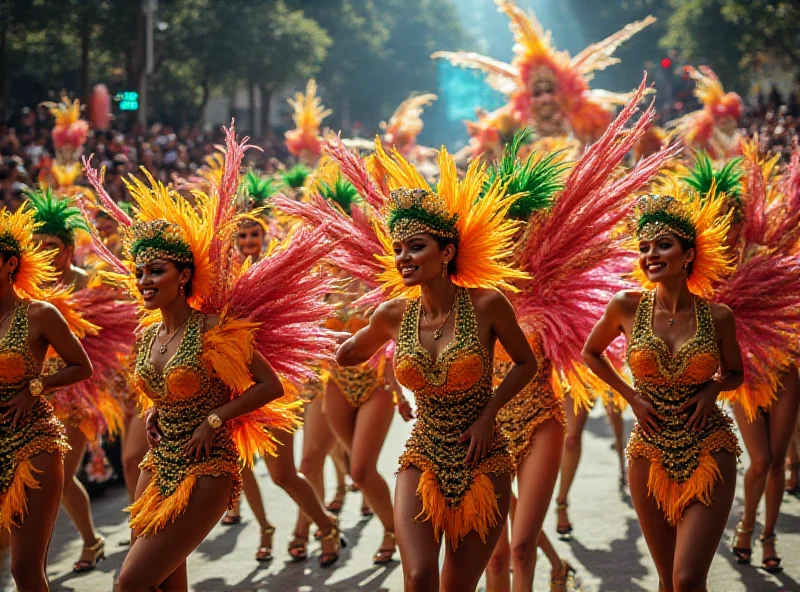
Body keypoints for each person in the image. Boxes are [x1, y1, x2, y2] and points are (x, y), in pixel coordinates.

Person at [82, 124, 342, 590]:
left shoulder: (215, 329)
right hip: (159, 464)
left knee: (129, 583)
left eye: (156, 271)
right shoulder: (149, 335)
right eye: (139, 272)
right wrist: (159, 411)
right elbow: (163, 389)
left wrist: (215, 419)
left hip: (207, 467)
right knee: (166, 583)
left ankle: (313, 524)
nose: (143, 281)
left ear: (184, 276)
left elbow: (270, 386)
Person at [484, 85, 677, 591]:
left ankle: (558, 531)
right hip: (485, 426)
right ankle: (557, 565)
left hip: (543, 419)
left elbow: (594, 333)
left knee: (521, 546)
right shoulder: (474, 292)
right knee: (495, 553)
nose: (517, 234)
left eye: (525, 225)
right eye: (508, 225)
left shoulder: (557, 284)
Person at [328, 138, 537, 591]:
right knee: (419, 576)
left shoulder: (487, 305)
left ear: (446, 253)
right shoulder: (391, 315)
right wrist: (302, 334)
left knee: (454, 586)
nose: (403, 257)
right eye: (398, 248)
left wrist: (488, 416)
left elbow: (525, 364)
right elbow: (348, 352)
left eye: (416, 247)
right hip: (422, 456)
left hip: (483, 459)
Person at [583, 191, 743, 592]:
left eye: (663, 245)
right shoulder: (626, 306)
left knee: (688, 578)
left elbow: (736, 373)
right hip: (649, 451)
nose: (651, 254)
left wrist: (713, 390)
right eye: (644, 248)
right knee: (667, 579)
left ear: (688, 255)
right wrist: (631, 396)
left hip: (709, 446)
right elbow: (591, 352)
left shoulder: (718, 316)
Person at [698, 143, 800, 573]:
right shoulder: (706, 270)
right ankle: (745, 528)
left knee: (777, 459)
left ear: (744, 220)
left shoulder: (767, 256)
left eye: (734, 218)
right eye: (720, 219)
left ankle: (768, 536)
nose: (729, 226)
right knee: (758, 459)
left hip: (783, 364)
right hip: (745, 375)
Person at [27, 187, 137, 572]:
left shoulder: (89, 283)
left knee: (60, 473)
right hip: (32, 395)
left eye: (53, 244)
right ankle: (84, 541)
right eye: (37, 243)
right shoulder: (25, 289)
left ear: (69, 248)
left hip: (78, 393)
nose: (45, 250)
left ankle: (54, 551)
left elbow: (116, 337)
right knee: (39, 476)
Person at [0, 205, 93, 591]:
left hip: (32, 442)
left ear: (10, 264)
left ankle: (90, 538)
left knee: (24, 568)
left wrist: (35, 387)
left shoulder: (39, 314)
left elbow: (80, 367)